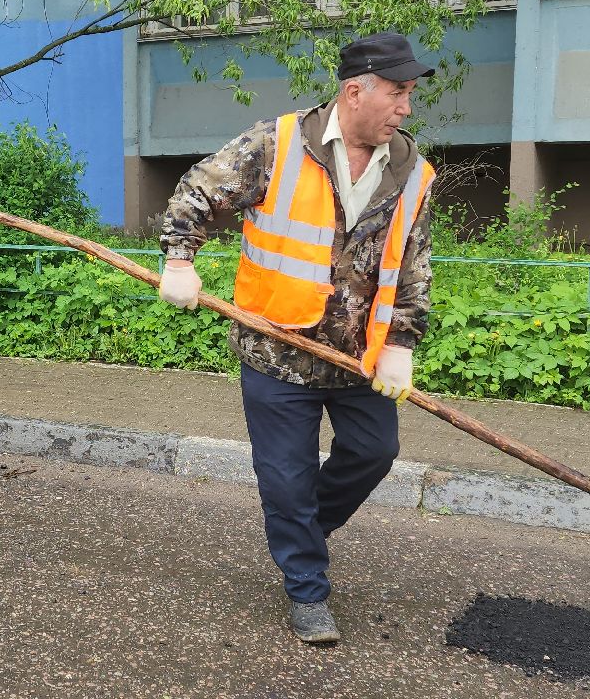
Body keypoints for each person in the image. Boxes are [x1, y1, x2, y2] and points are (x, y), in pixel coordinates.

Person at [158, 31, 436, 646]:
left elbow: (413, 262)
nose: (405, 108)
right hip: (276, 351)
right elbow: (198, 190)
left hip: (357, 359)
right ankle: (307, 588)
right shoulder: (277, 143)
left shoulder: (411, 169)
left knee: (373, 453)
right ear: (354, 90)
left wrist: (401, 344)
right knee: (285, 479)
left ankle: (298, 527)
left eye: (410, 94)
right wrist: (180, 259)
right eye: (397, 92)